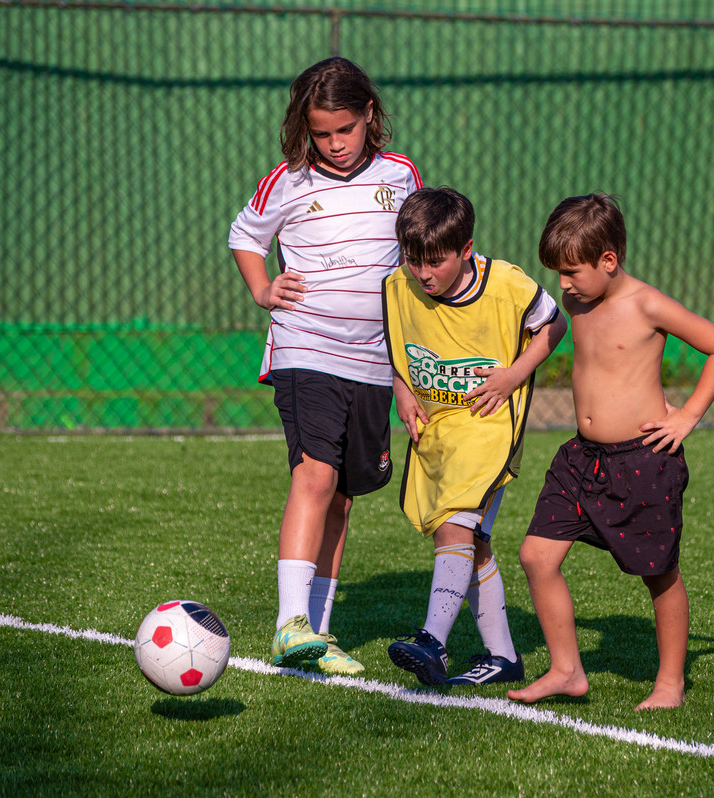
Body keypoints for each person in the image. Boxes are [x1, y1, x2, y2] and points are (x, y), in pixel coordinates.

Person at [506, 193, 714, 710]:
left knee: (658, 573)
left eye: (572, 272)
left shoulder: (647, 304)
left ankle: (670, 683)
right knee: (536, 556)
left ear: (608, 260)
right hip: (580, 459)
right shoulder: (575, 302)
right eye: (558, 273)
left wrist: (687, 415)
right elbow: (550, 329)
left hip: (643, 460)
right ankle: (566, 670)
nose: (564, 284)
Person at [228, 57, 421, 674]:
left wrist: (408, 371)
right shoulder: (287, 180)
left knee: (342, 498)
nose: (335, 144)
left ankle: (317, 633)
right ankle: (289, 625)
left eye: (345, 129)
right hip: (304, 347)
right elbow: (245, 235)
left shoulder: (401, 176)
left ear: (369, 114)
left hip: (373, 362)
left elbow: (413, 262)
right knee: (314, 475)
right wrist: (262, 290)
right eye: (321, 133)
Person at [382, 187, 566, 686]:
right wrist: (402, 389)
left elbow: (553, 325)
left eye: (435, 262)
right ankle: (503, 657)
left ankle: (433, 641)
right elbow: (399, 342)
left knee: (455, 525)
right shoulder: (400, 285)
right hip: (438, 430)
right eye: (413, 260)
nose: (423, 273)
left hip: (488, 426)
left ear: (465, 249)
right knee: (471, 542)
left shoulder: (506, 285)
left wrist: (513, 375)